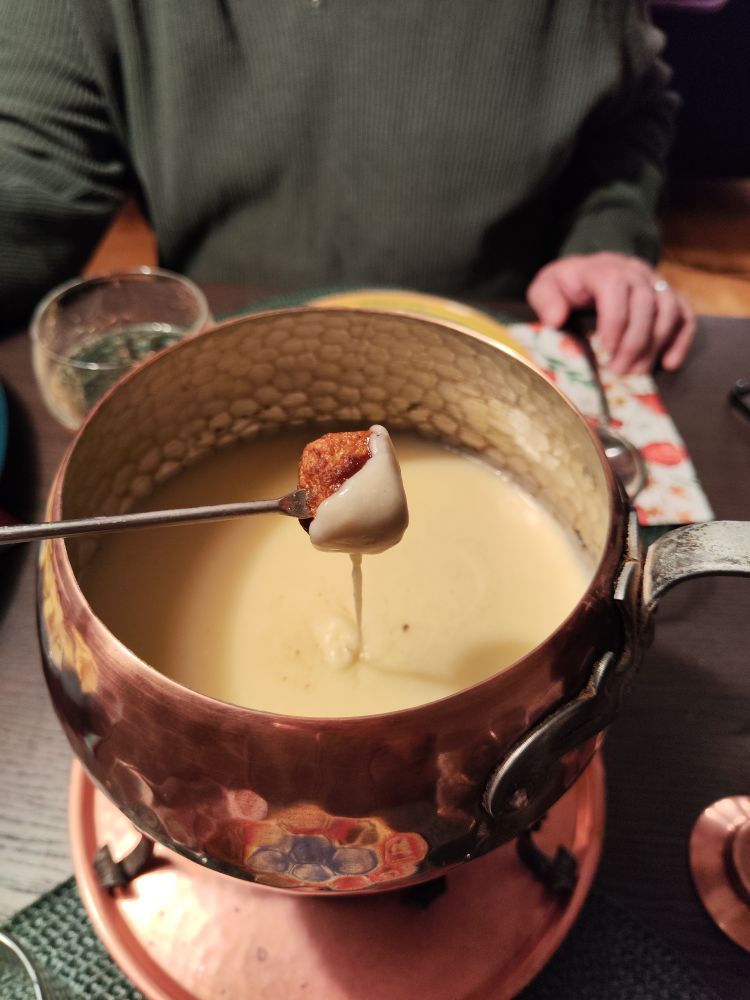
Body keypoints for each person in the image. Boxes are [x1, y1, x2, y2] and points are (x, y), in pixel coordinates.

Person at [0, 0, 694, 373]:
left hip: (509, 354)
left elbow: (630, 113)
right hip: (225, 374)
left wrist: (608, 237)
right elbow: (21, 181)